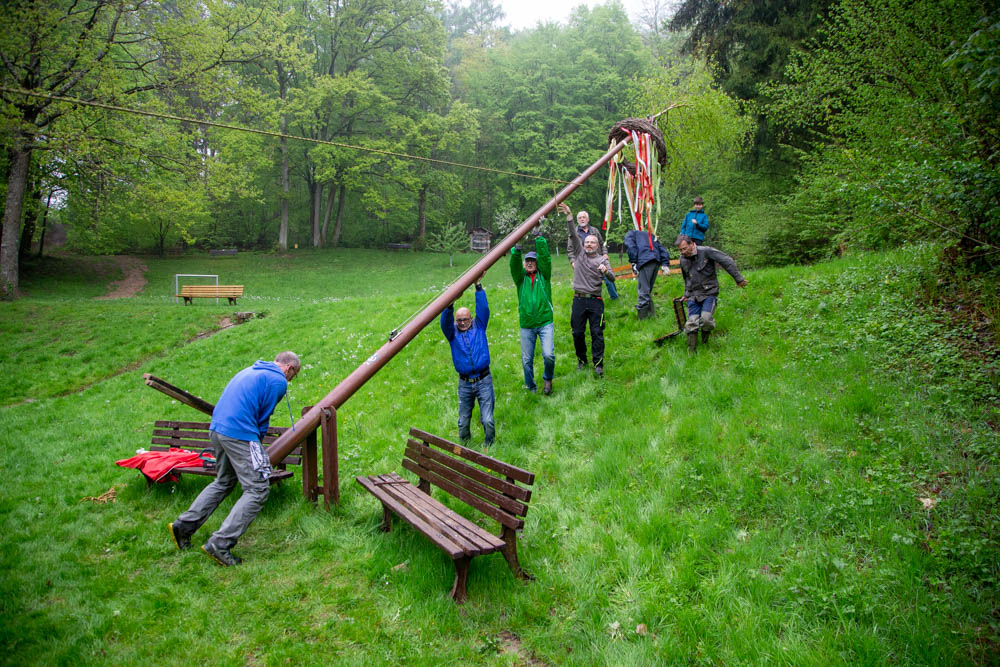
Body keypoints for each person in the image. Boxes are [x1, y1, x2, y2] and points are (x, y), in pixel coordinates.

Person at [168, 351, 301, 566]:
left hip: (218, 429)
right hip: (239, 433)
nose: (290, 381)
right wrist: (256, 449)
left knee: (224, 481)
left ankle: (183, 526)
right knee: (258, 489)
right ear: (290, 368)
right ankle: (220, 544)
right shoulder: (278, 380)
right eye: (293, 376)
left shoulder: (251, 370)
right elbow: (262, 418)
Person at [440, 275, 495, 446]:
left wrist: (478, 286)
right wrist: (450, 304)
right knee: (463, 422)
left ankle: (490, 445)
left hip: (484, 380)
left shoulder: (479, 326)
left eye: (466, 319)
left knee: (487, 420)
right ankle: (465, 447)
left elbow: (483, 308)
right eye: (459, 320)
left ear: (471, 319)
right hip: (464, 383)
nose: (463, 323)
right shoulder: (452, 333)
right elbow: (445, 322)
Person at [562, 201, 615, 376]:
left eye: (593, 242)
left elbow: (613, 278)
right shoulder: (579, 253)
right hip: (578, 299)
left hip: (595, 301)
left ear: (597, 245)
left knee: (596, 332)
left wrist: (606, 271)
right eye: (587, 242)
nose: (589, 244)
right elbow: (572, 234)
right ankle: (581, 360)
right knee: (577, 332)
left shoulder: (602, 260)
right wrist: (569, 216)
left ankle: (598, 364)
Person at [675, 234, 748, 352]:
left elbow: (726, 261)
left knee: (706, 319)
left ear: (692, 244)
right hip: (694, 295)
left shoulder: (706, 251)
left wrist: (738, 279)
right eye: (680, 250)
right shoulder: (683, 259)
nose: (683, 252)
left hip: (709, 292)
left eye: (684, 248)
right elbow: (687, 278)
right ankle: (691, 352)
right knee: (691, 322)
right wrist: (686, 293)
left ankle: (705, 344)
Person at [511, 227, 555, 394]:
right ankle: (531, 388)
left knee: (548, 355)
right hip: (527, 324)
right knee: (527, 359)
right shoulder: (520, 279)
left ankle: (548, 379)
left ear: (537, 263)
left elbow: (545, 257)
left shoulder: (545, 276)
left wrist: (539, 238)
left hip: (545, 322)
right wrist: (517, 249)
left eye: (532, 260)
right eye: (527, 260)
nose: (529, 263)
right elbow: (514, 264)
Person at [567, 208, 619, 300]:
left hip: (597, 259)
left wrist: (605, 253)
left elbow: (602, 244)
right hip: (583, 261)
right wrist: (572, 261)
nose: (582, 219)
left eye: (584, 217)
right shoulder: (575, 233)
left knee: (607, 275)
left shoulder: (594, 230)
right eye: (579, 218)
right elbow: (570, 250)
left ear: (588, 219)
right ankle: (588, 298)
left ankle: (614, 297)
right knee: (587, 281)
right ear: (577, 220)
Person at [624, 227, 671, 319]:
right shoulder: (650, 235)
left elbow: (630, 247)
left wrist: (634, 261)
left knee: (643, 291)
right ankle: (652, 315)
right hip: (655, 262)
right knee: (647, 290)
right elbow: (662, 249)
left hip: (645, 261)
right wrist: (665, 263)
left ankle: (643, 319)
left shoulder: (631, 234)